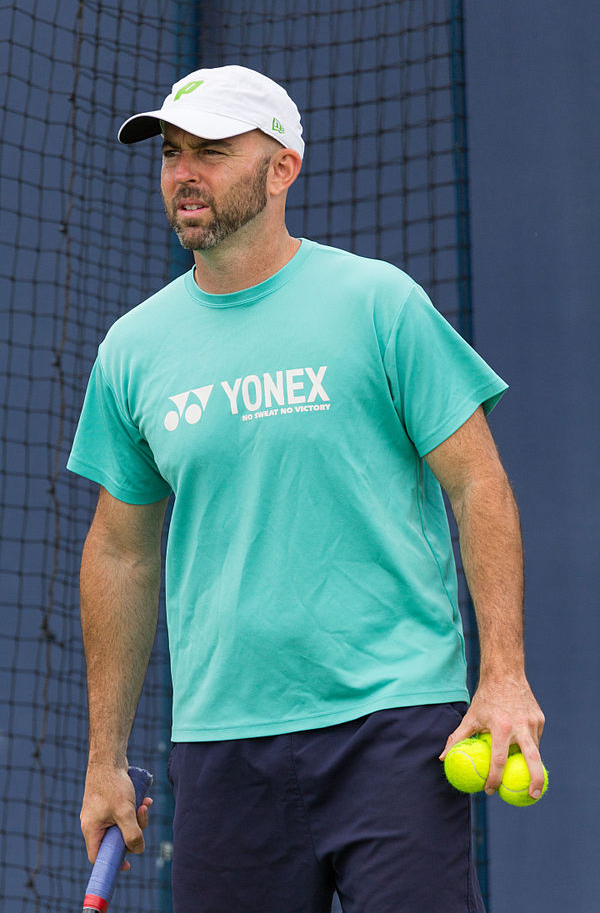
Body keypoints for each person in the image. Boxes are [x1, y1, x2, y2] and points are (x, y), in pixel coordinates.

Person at [69, 65, 545, 912]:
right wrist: (106, 759)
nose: (184, 172)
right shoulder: (132, 349)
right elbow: (120, 553)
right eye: (173, 153)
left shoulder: (379, 305)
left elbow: (480, 487)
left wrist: (502, 675)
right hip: (222, 746)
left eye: (211, 151)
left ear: (282, 165)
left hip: (392, 727)